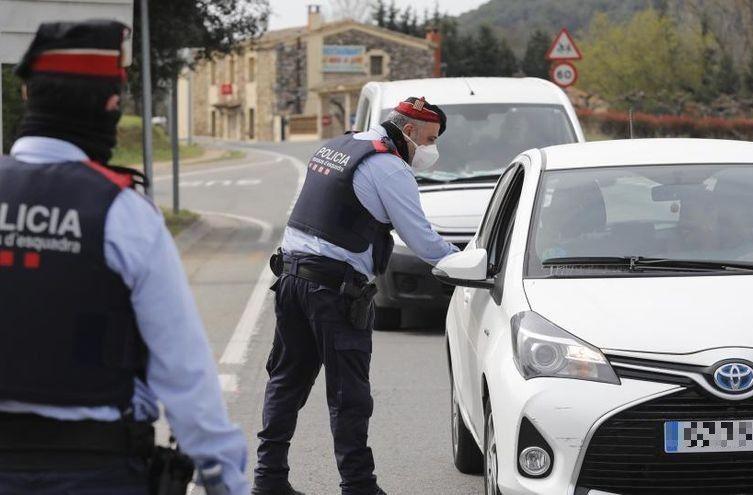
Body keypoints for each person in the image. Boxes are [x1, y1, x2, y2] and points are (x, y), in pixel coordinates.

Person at [0, 20, 248, 494]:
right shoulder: (121, 211)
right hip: (92, 472)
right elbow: (183, 371)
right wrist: (223, 479)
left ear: (30, 96)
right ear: (111, 106)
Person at [254, 97, 459, 495]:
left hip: (291, 278)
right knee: (349, 394)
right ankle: (358, 486)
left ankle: (268, 480)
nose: (432, 149)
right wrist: (470, 264)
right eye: (431, 139)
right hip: (332, 292)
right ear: (410, 131)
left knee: (286, 381)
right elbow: (424, 242)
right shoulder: (389, 167)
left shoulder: (339, 146)